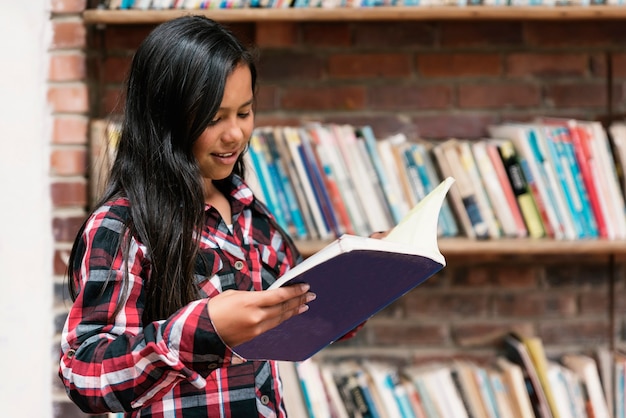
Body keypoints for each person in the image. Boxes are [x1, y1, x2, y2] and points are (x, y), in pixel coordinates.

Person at [59, 15, 362, 417]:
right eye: (214, 118)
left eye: (244, 112)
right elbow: (85, 375)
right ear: (163, 119)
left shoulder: (250, 214)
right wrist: (204, 330)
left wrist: (366, 269)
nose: (235, 134)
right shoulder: (122, 227)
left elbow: (299, 310)